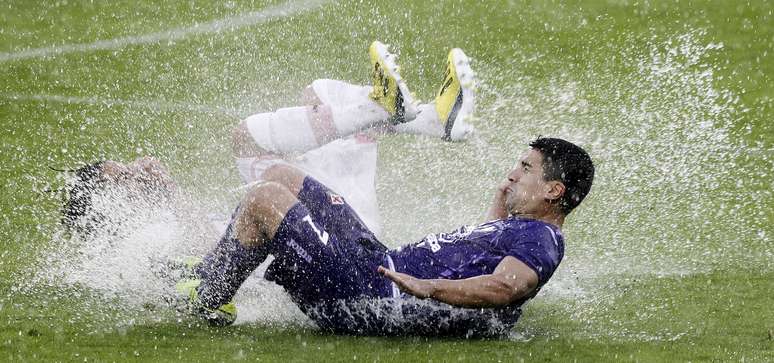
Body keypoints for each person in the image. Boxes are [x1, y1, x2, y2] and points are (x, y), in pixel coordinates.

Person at [172, 42, 595, 337]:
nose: (514, 172)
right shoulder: (524, 229)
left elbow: (508, 287)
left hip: (370, 297)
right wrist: (498, 205)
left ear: (554, 191)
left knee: (263, 199)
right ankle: (224, 267)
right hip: (376, 263)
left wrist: (429, 288)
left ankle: (210, 296)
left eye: (525, 168)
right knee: (283, 176)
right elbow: (483, 260)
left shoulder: (543, 240)